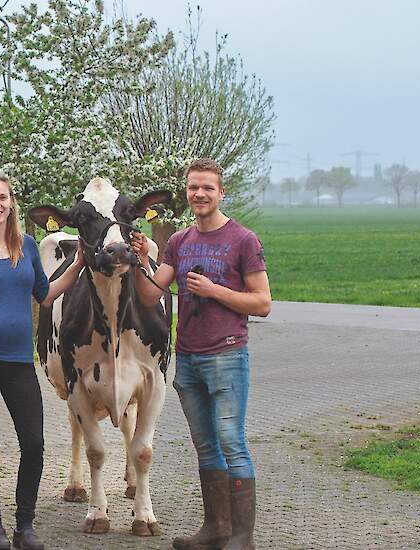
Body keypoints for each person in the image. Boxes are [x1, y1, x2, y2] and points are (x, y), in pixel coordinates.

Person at [132, 158, 271, 550]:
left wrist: (213, 291)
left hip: (227, 355)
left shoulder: (243, 240)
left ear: (221, 192)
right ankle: (216, 529)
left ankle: (242, 538)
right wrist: (144, 259)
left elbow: (262, 303)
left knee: (231, 441)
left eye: (207, 188)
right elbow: (148, 296)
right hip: (188, 358)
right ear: (187, 192)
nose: (200, 194)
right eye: (193, 188)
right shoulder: (179, 241)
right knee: (206, 444)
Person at [0, 173, 83, 550]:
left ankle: (25, 525)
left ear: (11, 203)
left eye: (2, 198)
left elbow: (44, 295)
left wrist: (77, 266)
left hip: (19, 362)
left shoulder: (26, 244)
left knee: (34, 443)